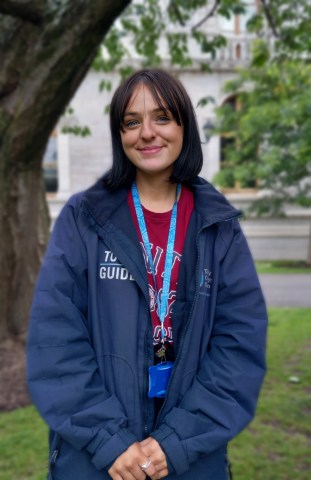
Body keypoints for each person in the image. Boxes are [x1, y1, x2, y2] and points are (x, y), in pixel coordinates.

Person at [27, 68, 267, 480]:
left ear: (184, 126)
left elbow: (239, 346)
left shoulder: (218, 224)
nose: (147, 133)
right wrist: (110, 441)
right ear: (120, 136)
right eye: (131, 122)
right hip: (95, 462)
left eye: (162, 117)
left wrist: (175, 443)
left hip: (190, 459)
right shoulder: (84, 217)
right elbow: (55, 340)